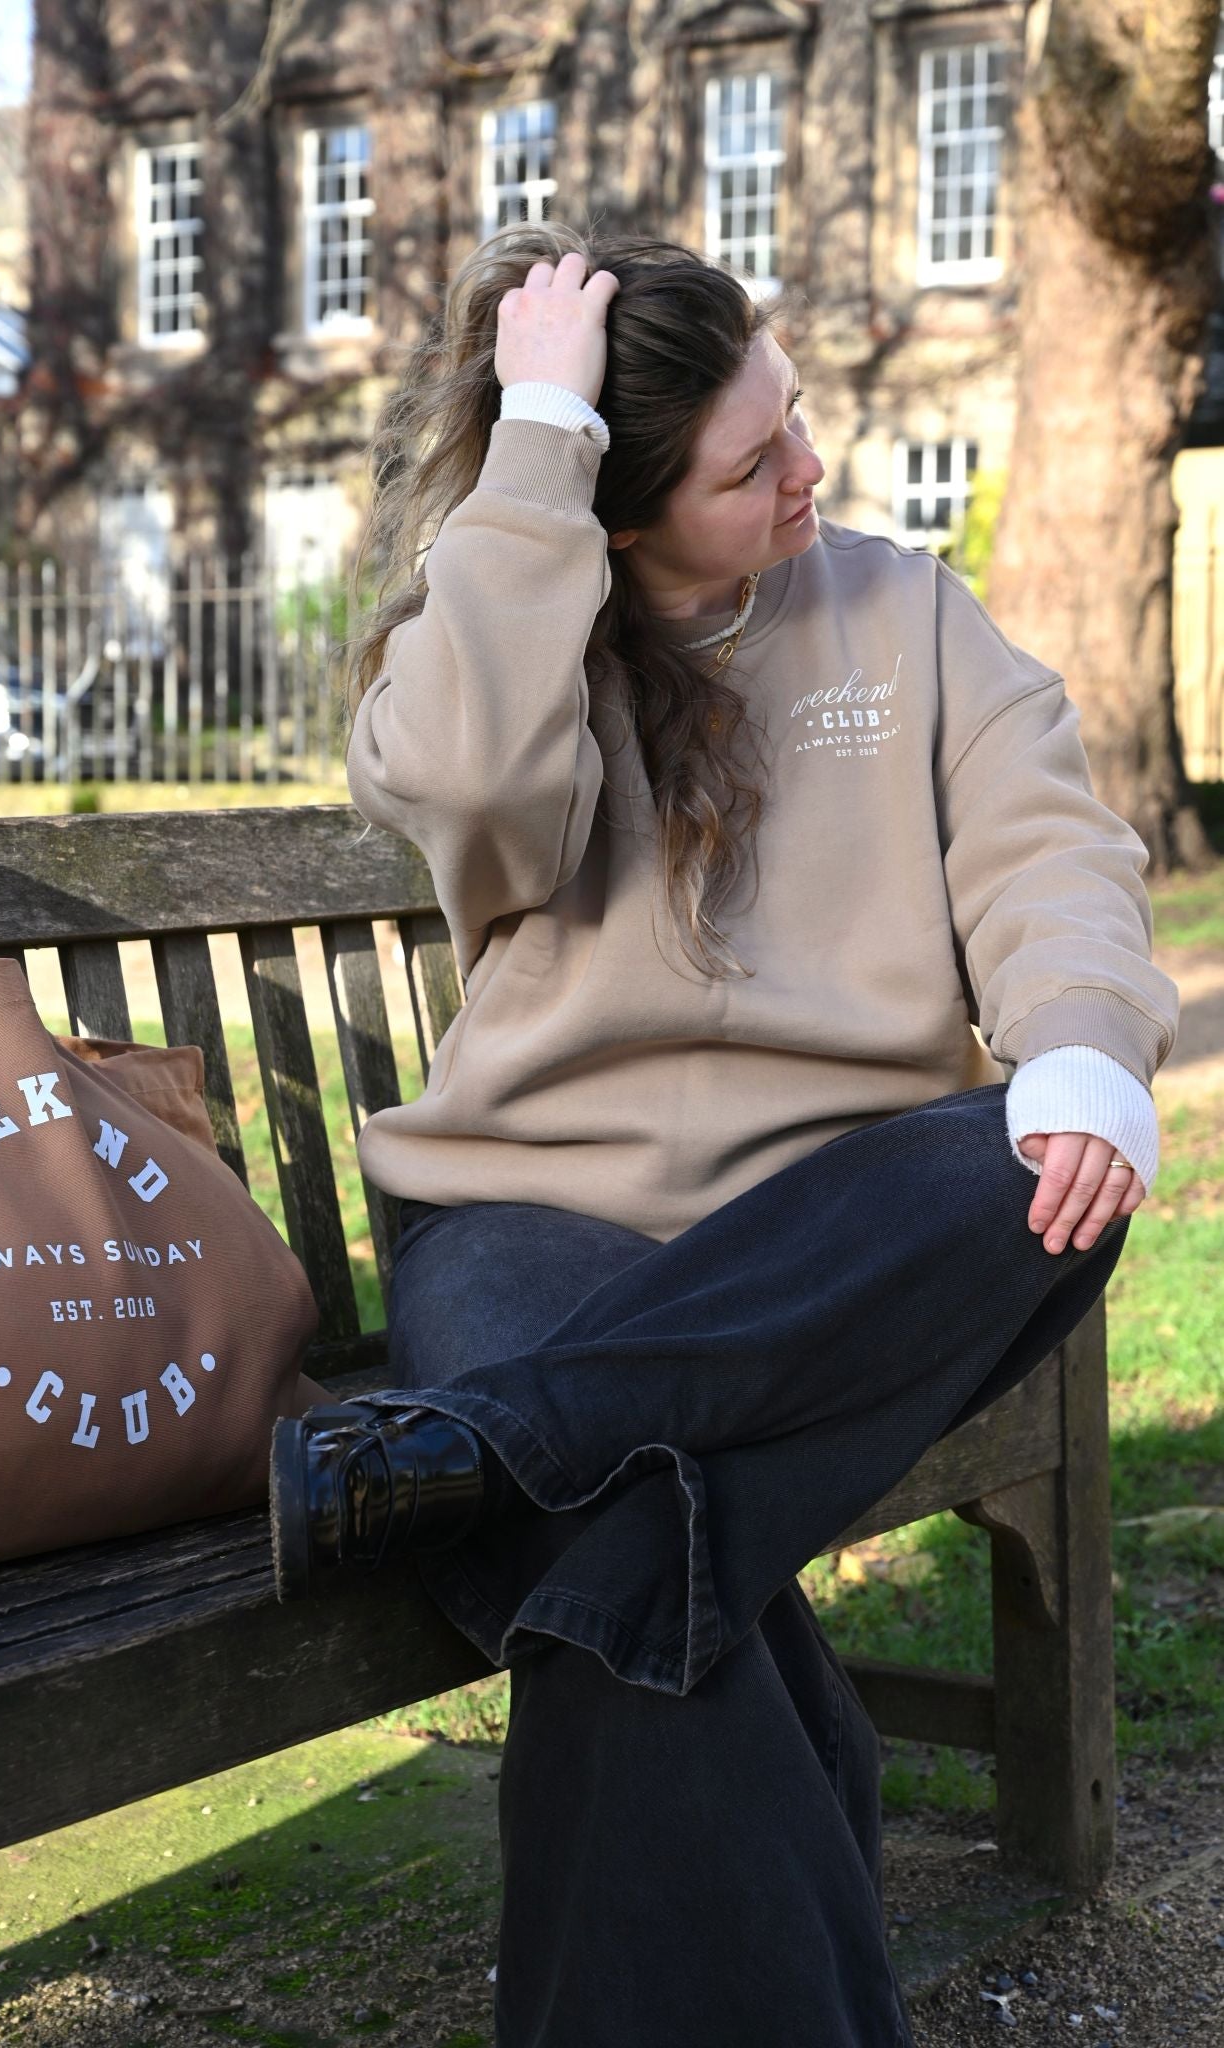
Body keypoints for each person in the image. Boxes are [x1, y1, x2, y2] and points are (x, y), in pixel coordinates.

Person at [268, 224, 1180, 2047]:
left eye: (797, 424)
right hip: (535, 1222)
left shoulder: (904, 611)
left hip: (836, 1230)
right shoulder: (508, 630)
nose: (809, 474)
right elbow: (467, 793)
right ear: (616, 513)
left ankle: (487, 1444)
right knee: (641, 1577)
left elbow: (1049, 855)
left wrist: (1081, 1044)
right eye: (750, 462)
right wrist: (533, 448)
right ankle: (551, 1440)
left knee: (1041, 1165)